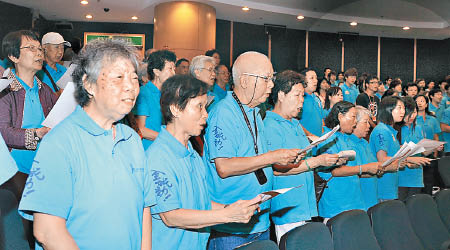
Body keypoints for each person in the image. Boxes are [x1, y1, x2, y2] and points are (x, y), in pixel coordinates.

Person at [18, 39, 153, 250]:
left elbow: (144, 208)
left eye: (134, 79)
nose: (130, 86)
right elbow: (47, 231)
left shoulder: (132, 139)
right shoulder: (60, 142)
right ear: (89, 84)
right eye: (119, 77)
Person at [148, 74, 261, 250]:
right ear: (176, 109)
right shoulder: (158, 157)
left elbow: (200, 202)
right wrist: (227, 216)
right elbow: (171, 216)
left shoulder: (191, 152)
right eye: (199, 107)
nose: (206, 115)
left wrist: (229, 208)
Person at [203, 52, 301, 249]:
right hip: (232, 226)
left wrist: (281, 158)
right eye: (266, 79)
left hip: (258, 219)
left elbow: (256, 157)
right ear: (245, 81)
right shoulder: (224, 113)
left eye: (272, 78)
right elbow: (224, 166)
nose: (272, 85)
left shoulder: (255, 112)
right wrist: (272, 156)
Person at [264, 70, 339, 242]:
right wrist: (317, 161)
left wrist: (329, 161)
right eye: (297, 95)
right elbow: (279, 169)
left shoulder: (295, 124)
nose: (301, 101)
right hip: (288, 206)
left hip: (305, 203)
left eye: (303, 96)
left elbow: (305, 158)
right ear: (281, 95)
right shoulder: (270, 125)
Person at [0, 30, 56, 198]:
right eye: (31, 48)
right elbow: (4, 132)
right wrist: (36, 134)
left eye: (40, 49)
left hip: (44, 166)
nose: (39, 53)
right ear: (13, 56)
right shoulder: (5, 90)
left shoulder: (44, 90)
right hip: (15, 171)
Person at [316, 101, 379, 221]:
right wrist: (364, 168)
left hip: (353, 200)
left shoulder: (347, 139)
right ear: (340, 116)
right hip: (337, 204)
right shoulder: (328, 139)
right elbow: (335, 171)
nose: (355, 122)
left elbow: (354, 169)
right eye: (353, 117)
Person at [134, 50, 176, 150]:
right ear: (156, 71)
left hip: (163, 149)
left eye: (174, 69)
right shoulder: (143, 93)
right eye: (170, 69)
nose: (174, 73)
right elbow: (140, 129)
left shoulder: (168, 95)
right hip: (148, 150)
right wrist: (169, 139)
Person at [397, 97, 432, 200]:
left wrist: (433, 147)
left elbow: (424, 152)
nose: (412, 116)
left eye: (415, 112)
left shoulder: (418, 128)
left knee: (414, 206)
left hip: (416, 177)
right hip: (401, 177)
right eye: (409, 113)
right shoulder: (395, 129)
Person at [351, 106, 380, 210]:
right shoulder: (349, 144)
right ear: (354, 123)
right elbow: (356, 171)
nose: (368, 126)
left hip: (372, 197)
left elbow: (374, 164)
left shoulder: (364, 142)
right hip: (360, 201)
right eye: (365, 122)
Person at [415, 94, 443, 194]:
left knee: (429, 182)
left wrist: (435, 153)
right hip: (417, 153)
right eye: (417, 101)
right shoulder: (412, 119)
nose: (419, 103)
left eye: (422, 101)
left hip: (430, 153)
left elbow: (436, 136)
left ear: (427, 104)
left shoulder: (432, 119)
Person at [298, 68, 324, 137]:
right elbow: (295, 122)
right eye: (312, 78)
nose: (315, 81)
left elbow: (321, 119)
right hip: (306, 141)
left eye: (316, 78)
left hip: (318, 141)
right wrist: (309, 135)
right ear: (303, 80)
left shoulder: (317, 98)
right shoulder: (299, 99)